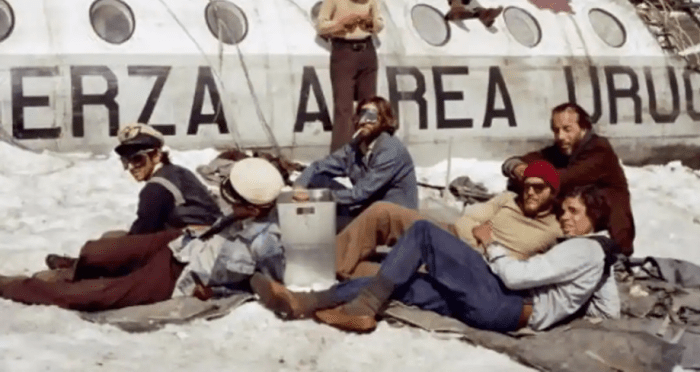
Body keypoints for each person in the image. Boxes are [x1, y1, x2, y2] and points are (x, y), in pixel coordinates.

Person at [252, 184, 621, 334]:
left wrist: (492, 246)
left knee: (425, 234)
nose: (566, 218)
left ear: (595, 217)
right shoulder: (600, 255)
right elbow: (610, 310)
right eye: (567, 211)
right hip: (499, 309)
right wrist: (576, 313)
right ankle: (306, 302)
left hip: (505, 301)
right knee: (403, 282)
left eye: (574, 212)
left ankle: (362, 307)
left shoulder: (582, 248)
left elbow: (518, 278)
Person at [0, 158, 286, 311]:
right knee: (101, 250)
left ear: (253, 206)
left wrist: (218, 292)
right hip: (182, 242)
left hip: (179, 272)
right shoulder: (244, 211)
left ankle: (16, 287)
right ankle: (79, 267)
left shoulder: (266, 242)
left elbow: (261, 283)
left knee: (94, 297)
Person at [335, 159, 563, 280]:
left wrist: (485, 243)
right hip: (452, 234)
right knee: (383, 212)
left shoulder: (554, 230)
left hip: (471, 265)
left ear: (552, 192)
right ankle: (328, 266)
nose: (530, 193)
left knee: (397, 270)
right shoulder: (508, 199)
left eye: (539, 187)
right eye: (527, 186)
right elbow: (466, 220)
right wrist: (480, 241)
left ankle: (342, 269)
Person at [44, 122, 222, 271]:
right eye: (126, 161)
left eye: (138, 159)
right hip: (206, 241)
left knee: (105, 247)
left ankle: (78, 267)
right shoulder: (178, 172)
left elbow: (141, 235)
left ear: (157, 155)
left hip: (189, 247)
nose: (131, 168)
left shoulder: (156, 188)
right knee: (112, 237)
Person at [502, 102, 636, 256]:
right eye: (556, 130)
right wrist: (517, 167)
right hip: (578, 234)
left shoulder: (599, 150)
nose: (560, 136)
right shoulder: (561, 150)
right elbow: (513, 162)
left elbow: (562, 179)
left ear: (583, 129)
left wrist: (528, 176)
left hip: (611, 240)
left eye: (567, 129)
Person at [294, 96, 417, 231]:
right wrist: (300, 185)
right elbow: (320, 166)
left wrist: (319, 198)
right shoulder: (357, 145)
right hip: (367, 208)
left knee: (329, 226)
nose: (363, 121)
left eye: (371, 116)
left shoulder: (390, 149)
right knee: (317, 180)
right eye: (361, 115)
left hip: (393, 218)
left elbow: (361, 193)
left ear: (384, 120)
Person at [317, 0, 385, 152]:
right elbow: (321, 25)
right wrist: (340, 24)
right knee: (344, 108)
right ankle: (340, 154)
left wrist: (370, 24)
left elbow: (379, 22)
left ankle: (365, 150)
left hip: (366, 51)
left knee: (369, 106)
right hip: (343, 52)